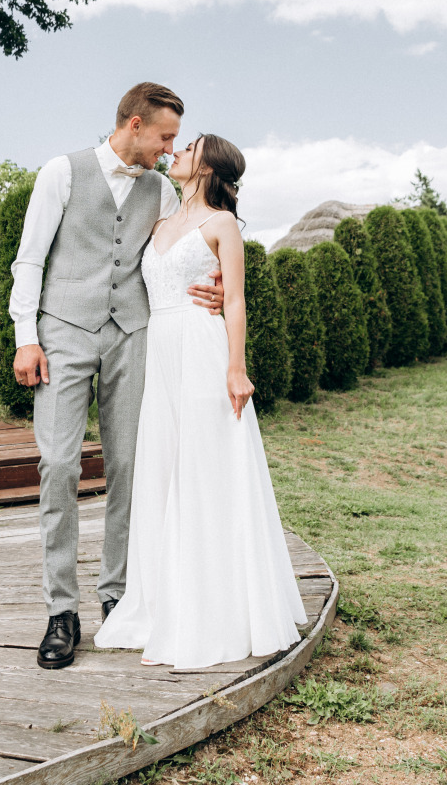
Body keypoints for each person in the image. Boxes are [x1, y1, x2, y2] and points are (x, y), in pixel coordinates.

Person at [10, 83, 224, 670]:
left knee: (130, 463)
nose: (169, 149)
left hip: (134, 333)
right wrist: (25, 336)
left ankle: (118, 593)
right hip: (62, 333)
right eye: (165, 137)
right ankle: (61, 609)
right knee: (58, 463)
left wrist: (222, 282)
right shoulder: (62, 172)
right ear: (134, 125)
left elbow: (197, 241)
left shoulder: (160, 189)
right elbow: (30, 257)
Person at [95, 134, 307, 668]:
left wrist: (235, 368)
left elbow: (233, 299)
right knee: (162, 471)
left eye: (188, 147)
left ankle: (216, 607)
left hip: (201, 347)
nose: (177, 151)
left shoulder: (222, 224)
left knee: (205, 470)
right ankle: (162, 598)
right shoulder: (161, 219)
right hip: (158, 350)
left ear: (208, 166)